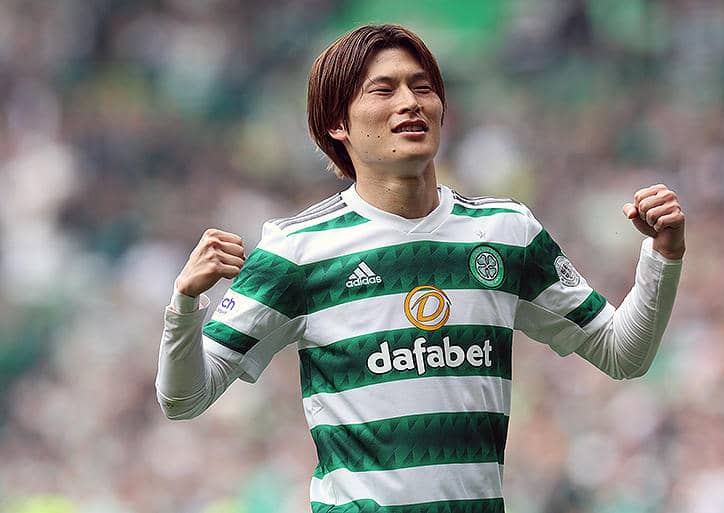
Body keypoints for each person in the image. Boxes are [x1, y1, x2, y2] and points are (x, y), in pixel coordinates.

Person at [156, 24, 685, 513]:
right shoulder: (296, 250)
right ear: (337, 123)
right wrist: (184, 304)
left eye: (422, 87)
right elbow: (183, 399)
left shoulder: (506, 231)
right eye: (383, 90)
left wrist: (662, 254)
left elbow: (622, 353)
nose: (409, 102)